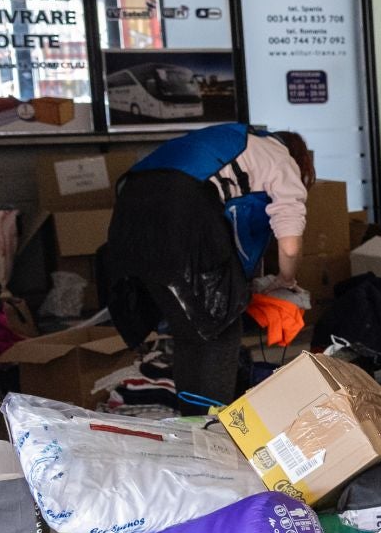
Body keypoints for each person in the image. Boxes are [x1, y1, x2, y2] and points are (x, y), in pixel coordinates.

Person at [106, 124, 313, 411]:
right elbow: (289, 243)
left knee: (190, 330)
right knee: (221, 329)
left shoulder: (229, 142)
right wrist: (286, 279)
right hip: (181, 210)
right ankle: (212, 429)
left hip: (127, 217)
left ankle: (192, 422)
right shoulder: (279, 156)